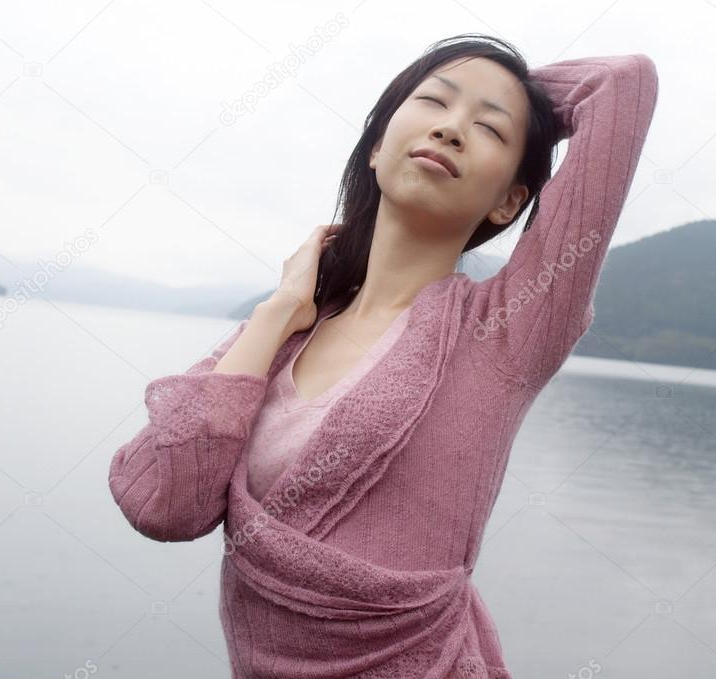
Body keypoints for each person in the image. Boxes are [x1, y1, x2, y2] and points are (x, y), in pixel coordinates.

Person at [108, 32, 659, 678]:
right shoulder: (286, 333)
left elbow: (623, 84)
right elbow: (161, 501)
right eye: (432, 102)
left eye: (488, 128)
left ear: (510, 199)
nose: (452, 129)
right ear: (376, 147)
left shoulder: (510, 328)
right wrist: (276, 312)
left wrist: (519, 93)